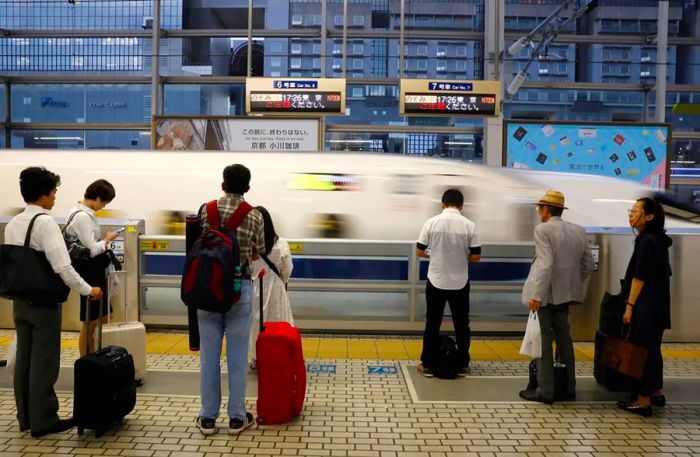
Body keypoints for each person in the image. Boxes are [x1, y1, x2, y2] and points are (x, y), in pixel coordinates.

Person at [5, 167, 102, 438]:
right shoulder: (45, 223)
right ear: (44, 193)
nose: (56, 196)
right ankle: (44, 419)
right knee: (44, 362)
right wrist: (88, 290)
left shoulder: (14, 223)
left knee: (24, 359)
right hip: (44, 303)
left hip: (20, 301)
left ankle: (25, 416)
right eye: (54, 191)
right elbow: (63, 266)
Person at [194, 164, 265, 435]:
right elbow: (257, 251)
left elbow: (198, 243)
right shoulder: (255, 216)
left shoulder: (206, 210)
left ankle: (208, 418)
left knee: (208, 357)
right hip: (239, 290)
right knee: (237, 357)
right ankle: (237, 417)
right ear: (247, 188)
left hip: (208, 291)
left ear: (222, 185)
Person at [519, 190, 593, 404]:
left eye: (539, 208)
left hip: (546, 295)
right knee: (564, 339)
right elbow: (587, 265)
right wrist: (570, 282)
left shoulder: (543, 230)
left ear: (545, 209)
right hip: (566, 295)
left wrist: (537, 294)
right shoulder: (578, 230)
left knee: (544, 340)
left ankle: (545, 390)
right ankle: (570, 387)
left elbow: (545, 263)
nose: (538, 212)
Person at [416, 189, 481, 378]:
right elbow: (476, 256)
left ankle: (427, 364)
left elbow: (420, 251)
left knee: (432, 323)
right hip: (460, 282)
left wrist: (433, 253)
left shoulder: (431, 223)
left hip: (435, 280)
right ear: (461, 206)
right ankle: (462, 364)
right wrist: (461, 255)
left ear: (442, 204)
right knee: (462, 325)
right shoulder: (469, 225)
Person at [616, 197, 672, 417]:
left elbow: (640, 277)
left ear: (649, 217)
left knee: (642, 353)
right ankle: (656, 392)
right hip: (658, 305)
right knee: (653, 350)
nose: (631, 214)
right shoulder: (659, 239)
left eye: (636, 210)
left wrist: (629, 306)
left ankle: (643, 400)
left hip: (646, 306)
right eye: (631, 210)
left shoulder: (646, 241)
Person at [64, 179, 120, 357]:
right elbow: (91, 250)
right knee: (91, 320)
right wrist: (107, 240)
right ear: (97, 197)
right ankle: (86, 359)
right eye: (104, 202)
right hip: (90, 271)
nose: (104, 206)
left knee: (100, 317)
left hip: (92, 270)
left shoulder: (78, 211)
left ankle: (93, 354)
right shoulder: (82, 217)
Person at [249, 206, 294, 367]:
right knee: (278, 321)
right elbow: (287, 269)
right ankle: (279, 354)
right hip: (276, 289)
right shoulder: (281, 244)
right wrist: (281, 280)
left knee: (256, 324)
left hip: (254, 290)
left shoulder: (249, 246)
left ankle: (257, 358)